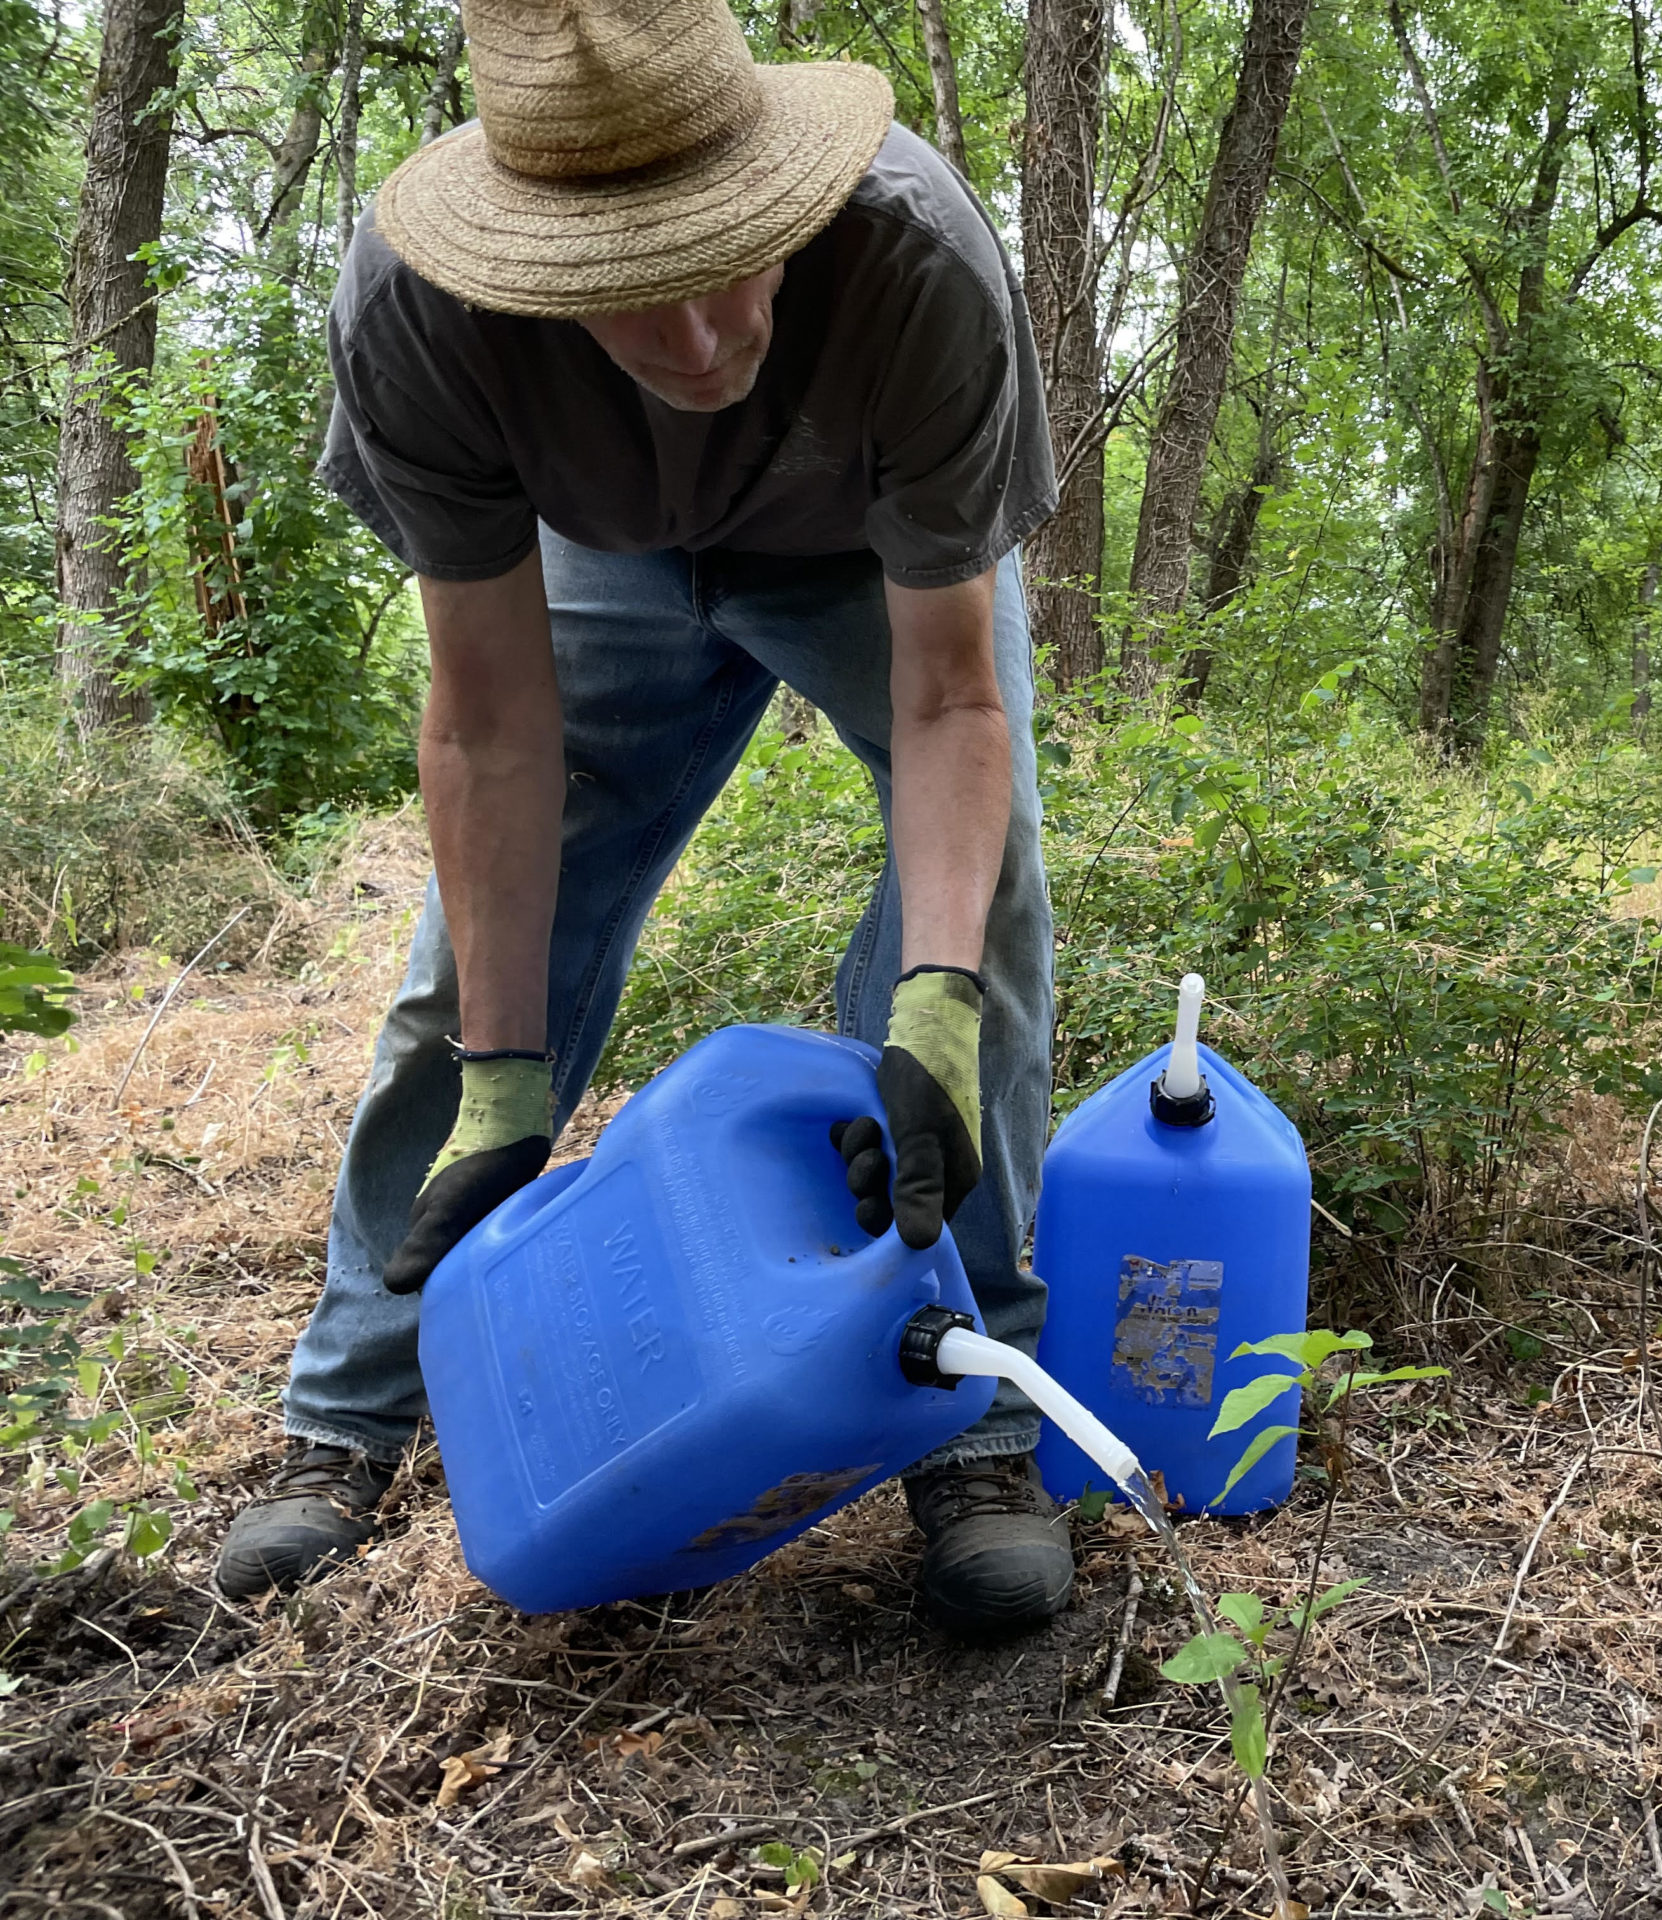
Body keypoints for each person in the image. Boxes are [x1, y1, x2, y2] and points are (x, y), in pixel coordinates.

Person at [214, 0, 1074, 1642]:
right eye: (623, 296)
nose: (692, 346)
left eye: (728, 260)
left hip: (858, 557)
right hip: (595, 556)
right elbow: (487, 723)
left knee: (983, 926)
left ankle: (976, 1427)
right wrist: (508, 1071)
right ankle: (349, 1413)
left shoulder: (916, 261)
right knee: (460, 979)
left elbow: (954, 705)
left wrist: (938, 1007)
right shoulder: (419, 312)